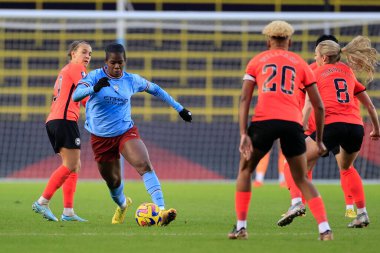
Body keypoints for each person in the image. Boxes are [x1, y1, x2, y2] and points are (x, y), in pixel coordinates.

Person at [227, 20, 332, 241]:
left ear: (268, 40)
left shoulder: (257, 61)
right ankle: (324, 229)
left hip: (264, 121)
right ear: (289, 41)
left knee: (245, 171)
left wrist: (243, 133)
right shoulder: (301, 63)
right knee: (302, 178)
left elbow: (245, 97)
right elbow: (319, 105)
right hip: (292, 123)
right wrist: (320, 140)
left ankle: (241, 227)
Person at [72, 43, 192, 225]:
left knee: (143, 164)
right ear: (106, 62)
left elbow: (156, 89)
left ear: (125, 61)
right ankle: (122, 205)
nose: (117, 66)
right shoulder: (94, 76)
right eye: (113, 63)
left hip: (125, 132)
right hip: (100, 138)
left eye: (120, 63)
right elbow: (76, 95)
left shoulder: (131, 80)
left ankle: (161, 212)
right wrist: (94, 88)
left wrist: (180, 108)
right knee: (113, 182)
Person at [279, 35, 379, 229]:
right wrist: (376, 129)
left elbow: (310, 104)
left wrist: (298, 127)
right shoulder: (348, 72)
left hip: (331, 126)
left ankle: (296, 203)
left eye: (316, 54)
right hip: (356, 128)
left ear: (323, 57)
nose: (315, 57)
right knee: (347, 168)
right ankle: (362, 214)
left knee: (291, 161)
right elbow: (370, 105)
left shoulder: (315, 73)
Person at [32, 40, 92, 222]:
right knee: (71, 165)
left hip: (56, 120)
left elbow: (80, 99)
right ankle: (42, 202)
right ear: (73, 53)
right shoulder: (76, 69)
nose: (87, 56)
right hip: (64, 120)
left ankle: (68, 211)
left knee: (75, 165)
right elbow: (86, 97)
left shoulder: (65, 71)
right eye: (84, 52)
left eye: (90, 53)